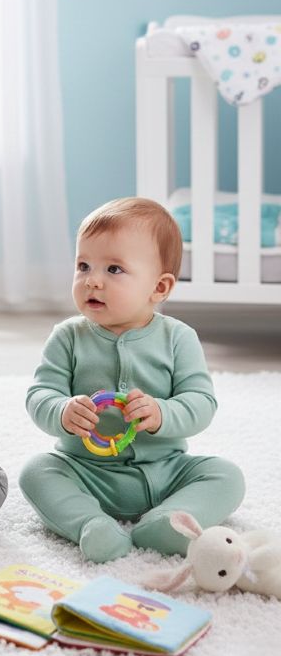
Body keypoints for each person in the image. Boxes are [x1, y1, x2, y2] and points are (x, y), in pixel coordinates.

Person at [19, 197, 245, 563]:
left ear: (159, 288)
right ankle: (91, 524)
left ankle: (166, 522)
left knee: (227, 475)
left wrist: (161, 413)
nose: (92, 279)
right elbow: (40, 393)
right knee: (36, 471)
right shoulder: (68, 336)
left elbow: (202, 403)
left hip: (166, 472)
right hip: (86, 471)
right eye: (83, 265)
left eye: (114, 269)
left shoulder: (178, 338)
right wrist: (62, 411)